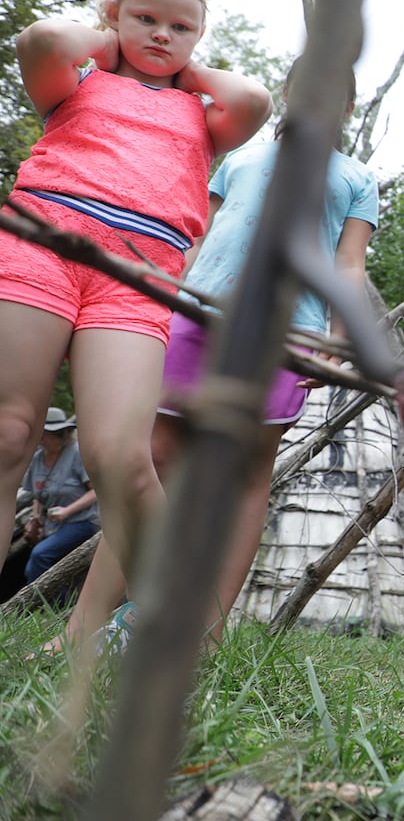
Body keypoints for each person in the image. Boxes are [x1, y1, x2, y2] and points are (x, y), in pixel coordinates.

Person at [1, 0, 271, 648]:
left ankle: (160, 627)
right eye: (145, 18)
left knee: (123, 457)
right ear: (114, 13)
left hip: (138, 282)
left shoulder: (205, 114)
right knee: (9, 431)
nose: (162, 34)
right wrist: (110, 38)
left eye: (181, 26)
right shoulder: (79, 80)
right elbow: (40, 37)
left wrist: (184, 61)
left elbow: (254, 96)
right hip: (39, 247)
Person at [58, 58, 378, 648]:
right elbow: (197, 233)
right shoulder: (242, 159)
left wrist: (340, 339)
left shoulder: (355, 178)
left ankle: (207, 632)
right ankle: (84, 625)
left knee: (247, 475)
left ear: (348, 108)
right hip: (196, 317)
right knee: (147, 459)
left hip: (288, 334)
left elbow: (349, 266)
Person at [20, 408, 98, 584]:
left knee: (41, 555)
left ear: (60, 434)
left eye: (46, 434)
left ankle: (49, 606)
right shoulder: (38, 458)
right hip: (52, 526)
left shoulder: (77, 454)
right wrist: (35, 519)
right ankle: (55, 606)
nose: (41, 438)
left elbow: (96, 492)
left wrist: (66, 511)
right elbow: (37, 495)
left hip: (81, 522)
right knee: (31, 567)